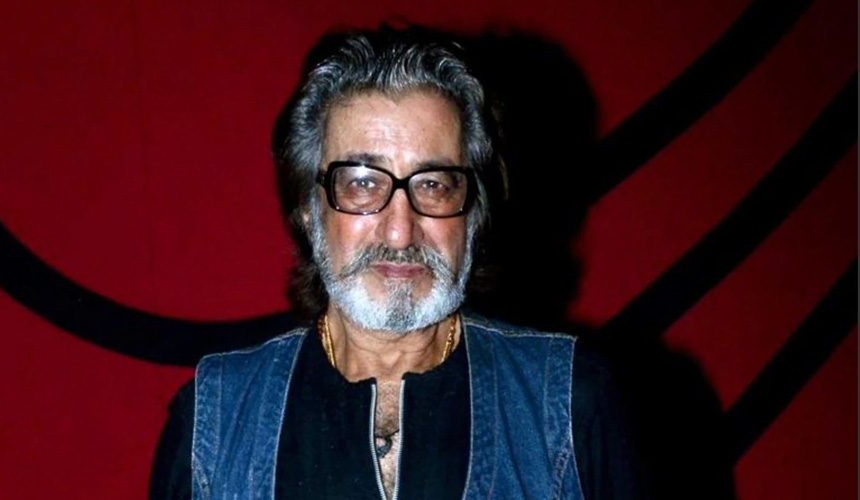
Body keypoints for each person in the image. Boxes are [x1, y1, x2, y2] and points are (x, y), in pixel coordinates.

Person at [149, 25, 651, 500]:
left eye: (433, 185)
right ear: (308, 209)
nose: (399, 230)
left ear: (472, 213)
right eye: (363, 183)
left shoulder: (571, 405)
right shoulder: (213, 424)